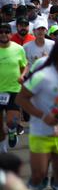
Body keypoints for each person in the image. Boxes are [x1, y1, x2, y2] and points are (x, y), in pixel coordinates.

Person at [15, 38, 58, 190]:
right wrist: (43, 116)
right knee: (39, 175)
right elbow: (20, 99)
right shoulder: (42, 76)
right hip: (41, 132)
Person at [0, 23, 27, 151]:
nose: (4, 34)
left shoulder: (18, 49)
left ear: (11, 34)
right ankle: (2, 149)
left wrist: (22, 76)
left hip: (14, 90)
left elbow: (24, 66)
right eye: (1, 32)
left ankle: (12, 132)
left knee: (12, 122)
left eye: (6, 32)